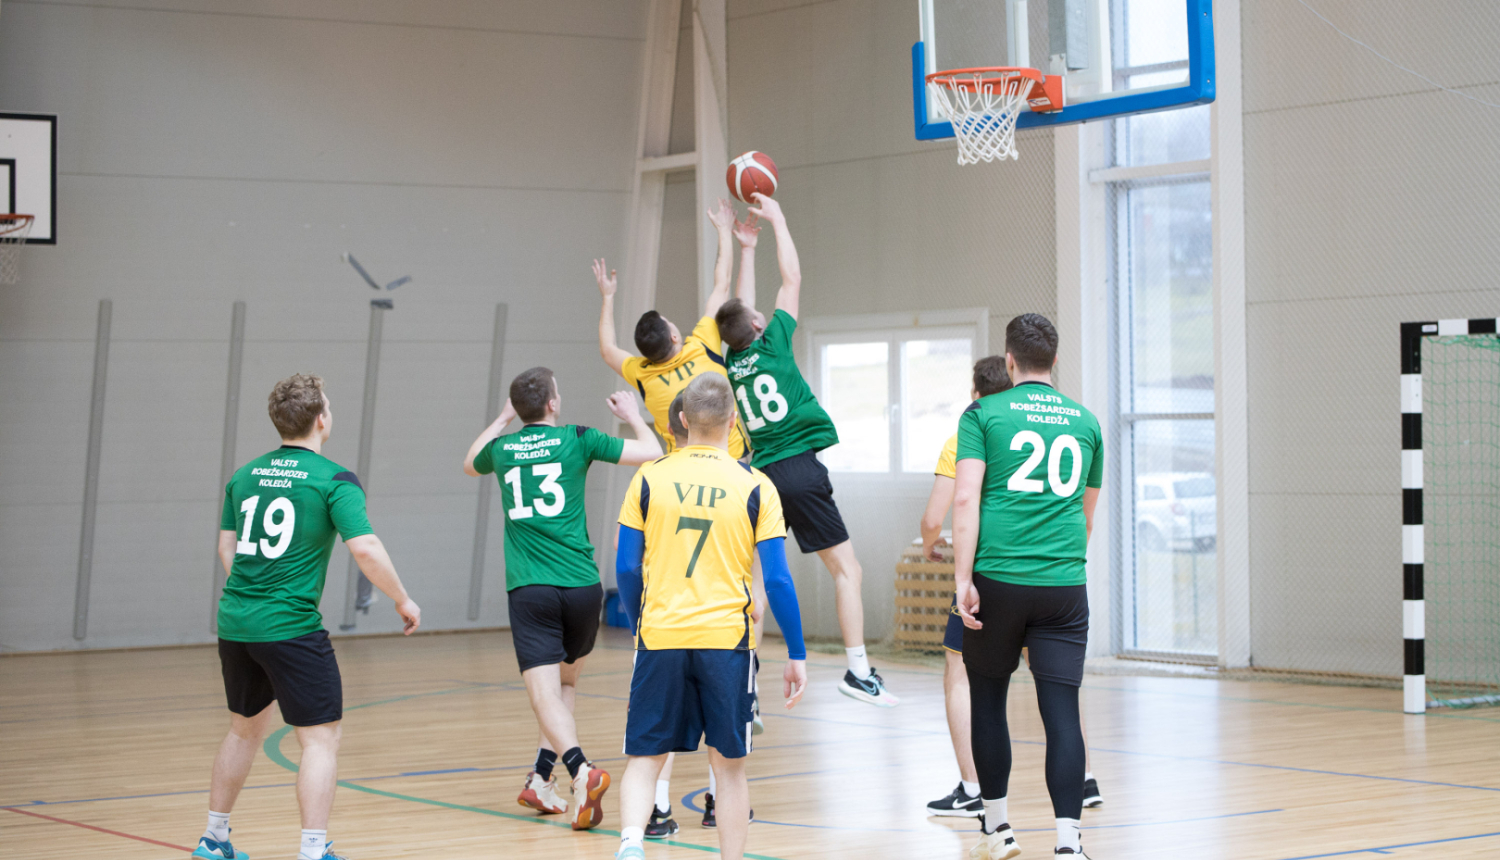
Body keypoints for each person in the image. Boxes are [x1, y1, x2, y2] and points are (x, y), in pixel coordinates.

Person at [194, 373, 422, 860]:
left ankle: (213, 840)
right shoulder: (334, 480)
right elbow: (365, 548)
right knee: (320, 741)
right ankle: (314, 850)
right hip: (291, 628)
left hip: (237, 624)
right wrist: (403, 599)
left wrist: (256, 588)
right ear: (322, 419)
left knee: (243, 729)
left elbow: (225, 546)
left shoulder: (244, 475)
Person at [612, 373, 808, 860]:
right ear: (733, 421)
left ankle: (632, 844)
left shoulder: (649, 477)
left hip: (661, 635)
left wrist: (639, 618)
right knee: (728, 767)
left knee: (645, 757)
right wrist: (797, 652)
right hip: (727, 642)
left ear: (681, 419)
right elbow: (779, 581)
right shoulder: (755, 485)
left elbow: (624, 566)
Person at [714, 193, 897, 706]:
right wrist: (778, 221)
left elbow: (738, 310)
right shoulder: (772, 344)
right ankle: (858, 671)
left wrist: (745, 249)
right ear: (758, 327)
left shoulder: (732, 365)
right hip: (797, 468)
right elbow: (791, 279)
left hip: (759, 475)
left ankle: (742, 684)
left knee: (757, 582)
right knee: (848, 571)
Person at [462, 368, 663, 831]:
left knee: (543, 695)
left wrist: (502, 418)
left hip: (531, 588)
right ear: (553, 403)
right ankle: (539, 778)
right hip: (581, 586)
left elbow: (469, 462)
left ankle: (581, 771)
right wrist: (632, 415)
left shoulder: (503, 449)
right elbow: (652, 451)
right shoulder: (578, 438)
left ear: (521, 408)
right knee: (566, 685)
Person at [918, 358, 1107, 820]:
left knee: (966, 678)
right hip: (1058, 578)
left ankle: (978, 796)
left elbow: (944, 510)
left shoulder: (974, 426)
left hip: (995, 575)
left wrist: (939, 555)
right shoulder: (1079, 421)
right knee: (1060, 691)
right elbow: (1086, 511)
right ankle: (1079, 797)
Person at [594, 198, 750, 460]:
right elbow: (722, 284)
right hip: (732, 462)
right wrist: (724, 230)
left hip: (682, 471)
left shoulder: (643, 374)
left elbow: (608, 349)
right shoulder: (702, 344)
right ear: (674, 336)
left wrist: (608, 297)